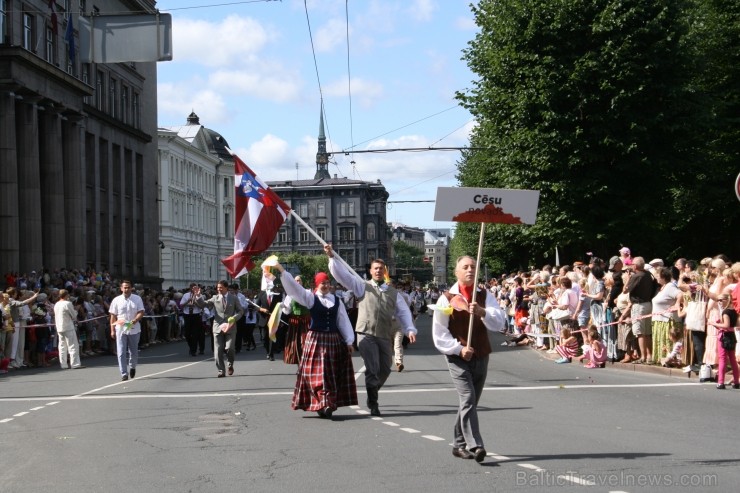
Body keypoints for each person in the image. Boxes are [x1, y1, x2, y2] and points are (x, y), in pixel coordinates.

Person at [326, 244, 417, 417]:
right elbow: (342, 276)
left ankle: (372, 389)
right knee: (373, 368)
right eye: (375, 268)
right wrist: (332, 257)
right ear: (371, 271)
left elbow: (403, 312)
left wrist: (410, 329)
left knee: (385, 369)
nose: (378, 271)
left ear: (385, 271)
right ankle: (373, 402)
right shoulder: (362, 286)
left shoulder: (392, 292)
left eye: (381, 269)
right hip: (365, 334)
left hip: (383, 334)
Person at [432, 255, 507, 462]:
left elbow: (499, 322)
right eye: (465, 267)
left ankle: (458, 444)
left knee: (471, 402)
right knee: (467, 398)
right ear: (456, 272)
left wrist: (483, 312)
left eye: (473, 266)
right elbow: (439, 333)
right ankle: (476, 445)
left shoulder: (484, 294)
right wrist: (457, 349)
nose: (470, 270)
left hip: (481, 354)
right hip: (458, 358)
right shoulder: (446, 298)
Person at [273, 262, 357, 418]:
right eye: (322, 283)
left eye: (327, 282)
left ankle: (328, 402)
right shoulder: (310, 298)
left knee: (330, 373)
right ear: (316, 285)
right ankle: (322, 402)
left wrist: (349, 341)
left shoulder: (337, 301)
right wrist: (282, 271)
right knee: (317, 374)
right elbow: (294, 288)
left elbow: (343, 321)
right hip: (316, 340)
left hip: (332, 340)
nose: (325, 285)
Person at [194, 280, 244, 377]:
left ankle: (230, 364)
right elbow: (203, 304)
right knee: (218, 350)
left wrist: (234, 318)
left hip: (230, 327)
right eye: (218, 288)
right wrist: (198, 296)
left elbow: (240, 311)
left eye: (221, 287)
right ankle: (221, 370)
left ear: (226, 288)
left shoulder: (233, 298)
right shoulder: (215, 298)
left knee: (230, 348)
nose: (219, 289)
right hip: (218, 327)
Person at [619, 257, 656, 364]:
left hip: (638, 305)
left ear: (635, 265)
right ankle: (650, 356)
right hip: (648, 304)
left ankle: (643, 357)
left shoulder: (636, 276)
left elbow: (625, 291)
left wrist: (629, 279)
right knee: (648, 332)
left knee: (640, 332)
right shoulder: (649, 275)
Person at [108, 280, 145, 381]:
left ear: (131, 288)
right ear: (121, 288)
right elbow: (113, 316)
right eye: (124, 287)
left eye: (128, 287)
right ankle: (124, 373)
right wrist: (112, 330)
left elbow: (141, 312)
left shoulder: (137, 299)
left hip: (134, 328)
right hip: (120, 329)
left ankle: (132, 367)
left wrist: (135, 320)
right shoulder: (116, 300)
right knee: (121, 352)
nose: (126, 289)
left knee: (133, 352)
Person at [708, 293, 738, 389]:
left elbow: (726, 325)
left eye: (721, 300)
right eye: (718, 300)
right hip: (731, 335)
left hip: (724, 336)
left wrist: (714, 323)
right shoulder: (733, 311)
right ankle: (736, 381)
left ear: (727, 300)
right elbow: (736, 324)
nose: (719, 302)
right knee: (732, 359)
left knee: (723, 359)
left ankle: (721, 382)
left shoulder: (725, 312)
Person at [281, 276, 310, 365]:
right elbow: (287, 311)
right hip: (295, 322)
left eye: (299, 280)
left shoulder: (307, 293)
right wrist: (283, 306)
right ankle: (299, 365)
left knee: (306, 344)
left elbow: (311, 305)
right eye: (296, 281)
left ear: (302, 282)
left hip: (306, 321)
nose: (297, 282)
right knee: (296, 344)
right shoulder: (290, 295)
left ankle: (307, 364)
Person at [53, 289, 84, 369]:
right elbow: (74, 315)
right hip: (68, 326)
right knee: (73, 345)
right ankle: (75, 363)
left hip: (59, 327)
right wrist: (76, 310)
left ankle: (63, 364)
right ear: (66, 295)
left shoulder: (56, 304)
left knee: (62, 346)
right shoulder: (68, 303)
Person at [256, 281, 284, 361]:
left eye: (271, 285)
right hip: (264, 319)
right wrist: (262, 309)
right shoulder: (261, 294)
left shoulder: (278, 296)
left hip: (274, 320)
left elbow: (280, 309)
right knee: (265, 338)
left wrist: (280, 320)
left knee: (272, 337)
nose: (270, 287)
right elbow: (256, 306)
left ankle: (271, 354)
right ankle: (268, 351)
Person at [180, 283, 205, 356]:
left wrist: (195, 303)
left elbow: (202, 306)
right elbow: (181, 305)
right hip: (187, 315)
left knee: (195, 334)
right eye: (192, 288)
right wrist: (188, 301)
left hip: (196, 315)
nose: (193, 289)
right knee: (187, 333)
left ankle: (193, 350)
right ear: (190, 288)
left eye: (195, 288)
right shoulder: (186, 295)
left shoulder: (200, 296)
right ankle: (191, 347)